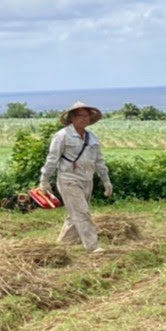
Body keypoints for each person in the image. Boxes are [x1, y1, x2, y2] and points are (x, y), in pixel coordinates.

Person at [39, 101, 113, 253]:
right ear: (71, 118)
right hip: (68, 179)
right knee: (81, 212)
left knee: (75, 214)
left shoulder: (92, 137)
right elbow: (52, 159)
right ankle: (93, 246)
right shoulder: (62, 136)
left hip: (87, 180)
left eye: (86, 116)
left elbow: (99, 161)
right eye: (80, 116)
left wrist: (106, 181)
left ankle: (65, 244)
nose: (84, 119)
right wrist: (44, 180)